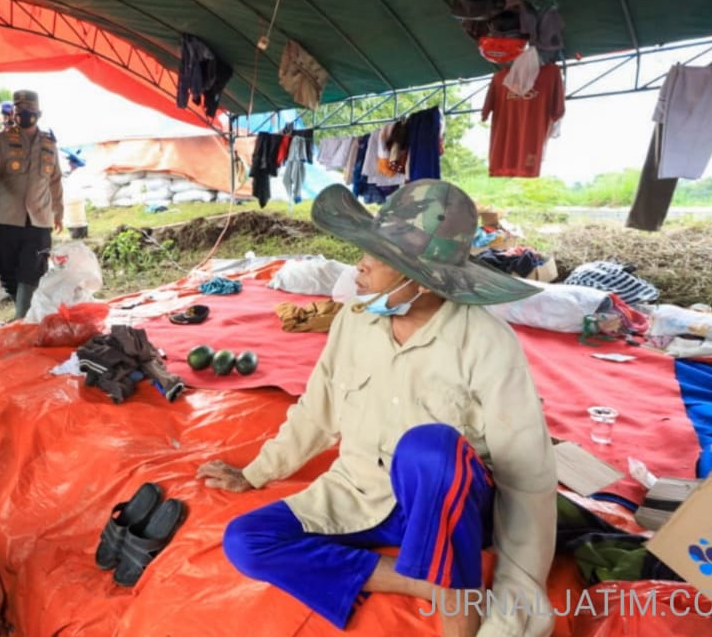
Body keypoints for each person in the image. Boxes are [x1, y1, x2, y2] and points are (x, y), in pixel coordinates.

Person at [199, 181, 557, 637]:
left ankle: (453, 595)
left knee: (430, 448)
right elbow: (317, 409)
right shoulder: (354, 320)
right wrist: (256, 472)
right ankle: (422, 582)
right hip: (359, 493)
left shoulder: (486, 342)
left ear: (423, 276)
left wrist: (513, 609)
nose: (360, 267)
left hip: (448, 506)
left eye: (380, 257)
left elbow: (526, 477)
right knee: (247, 541)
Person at [0, 90, 62, 319]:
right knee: (7, 272)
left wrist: (59, 212)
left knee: (32, 271)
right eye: (20, 110)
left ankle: (22, 318)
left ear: (39, 113)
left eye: (30, 110)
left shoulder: (49, 143)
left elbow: (55, 180)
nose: (25, 114)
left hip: (40, 219)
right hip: (6, 219)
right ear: (13, 114)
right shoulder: (1, 142)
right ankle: (28, 314)